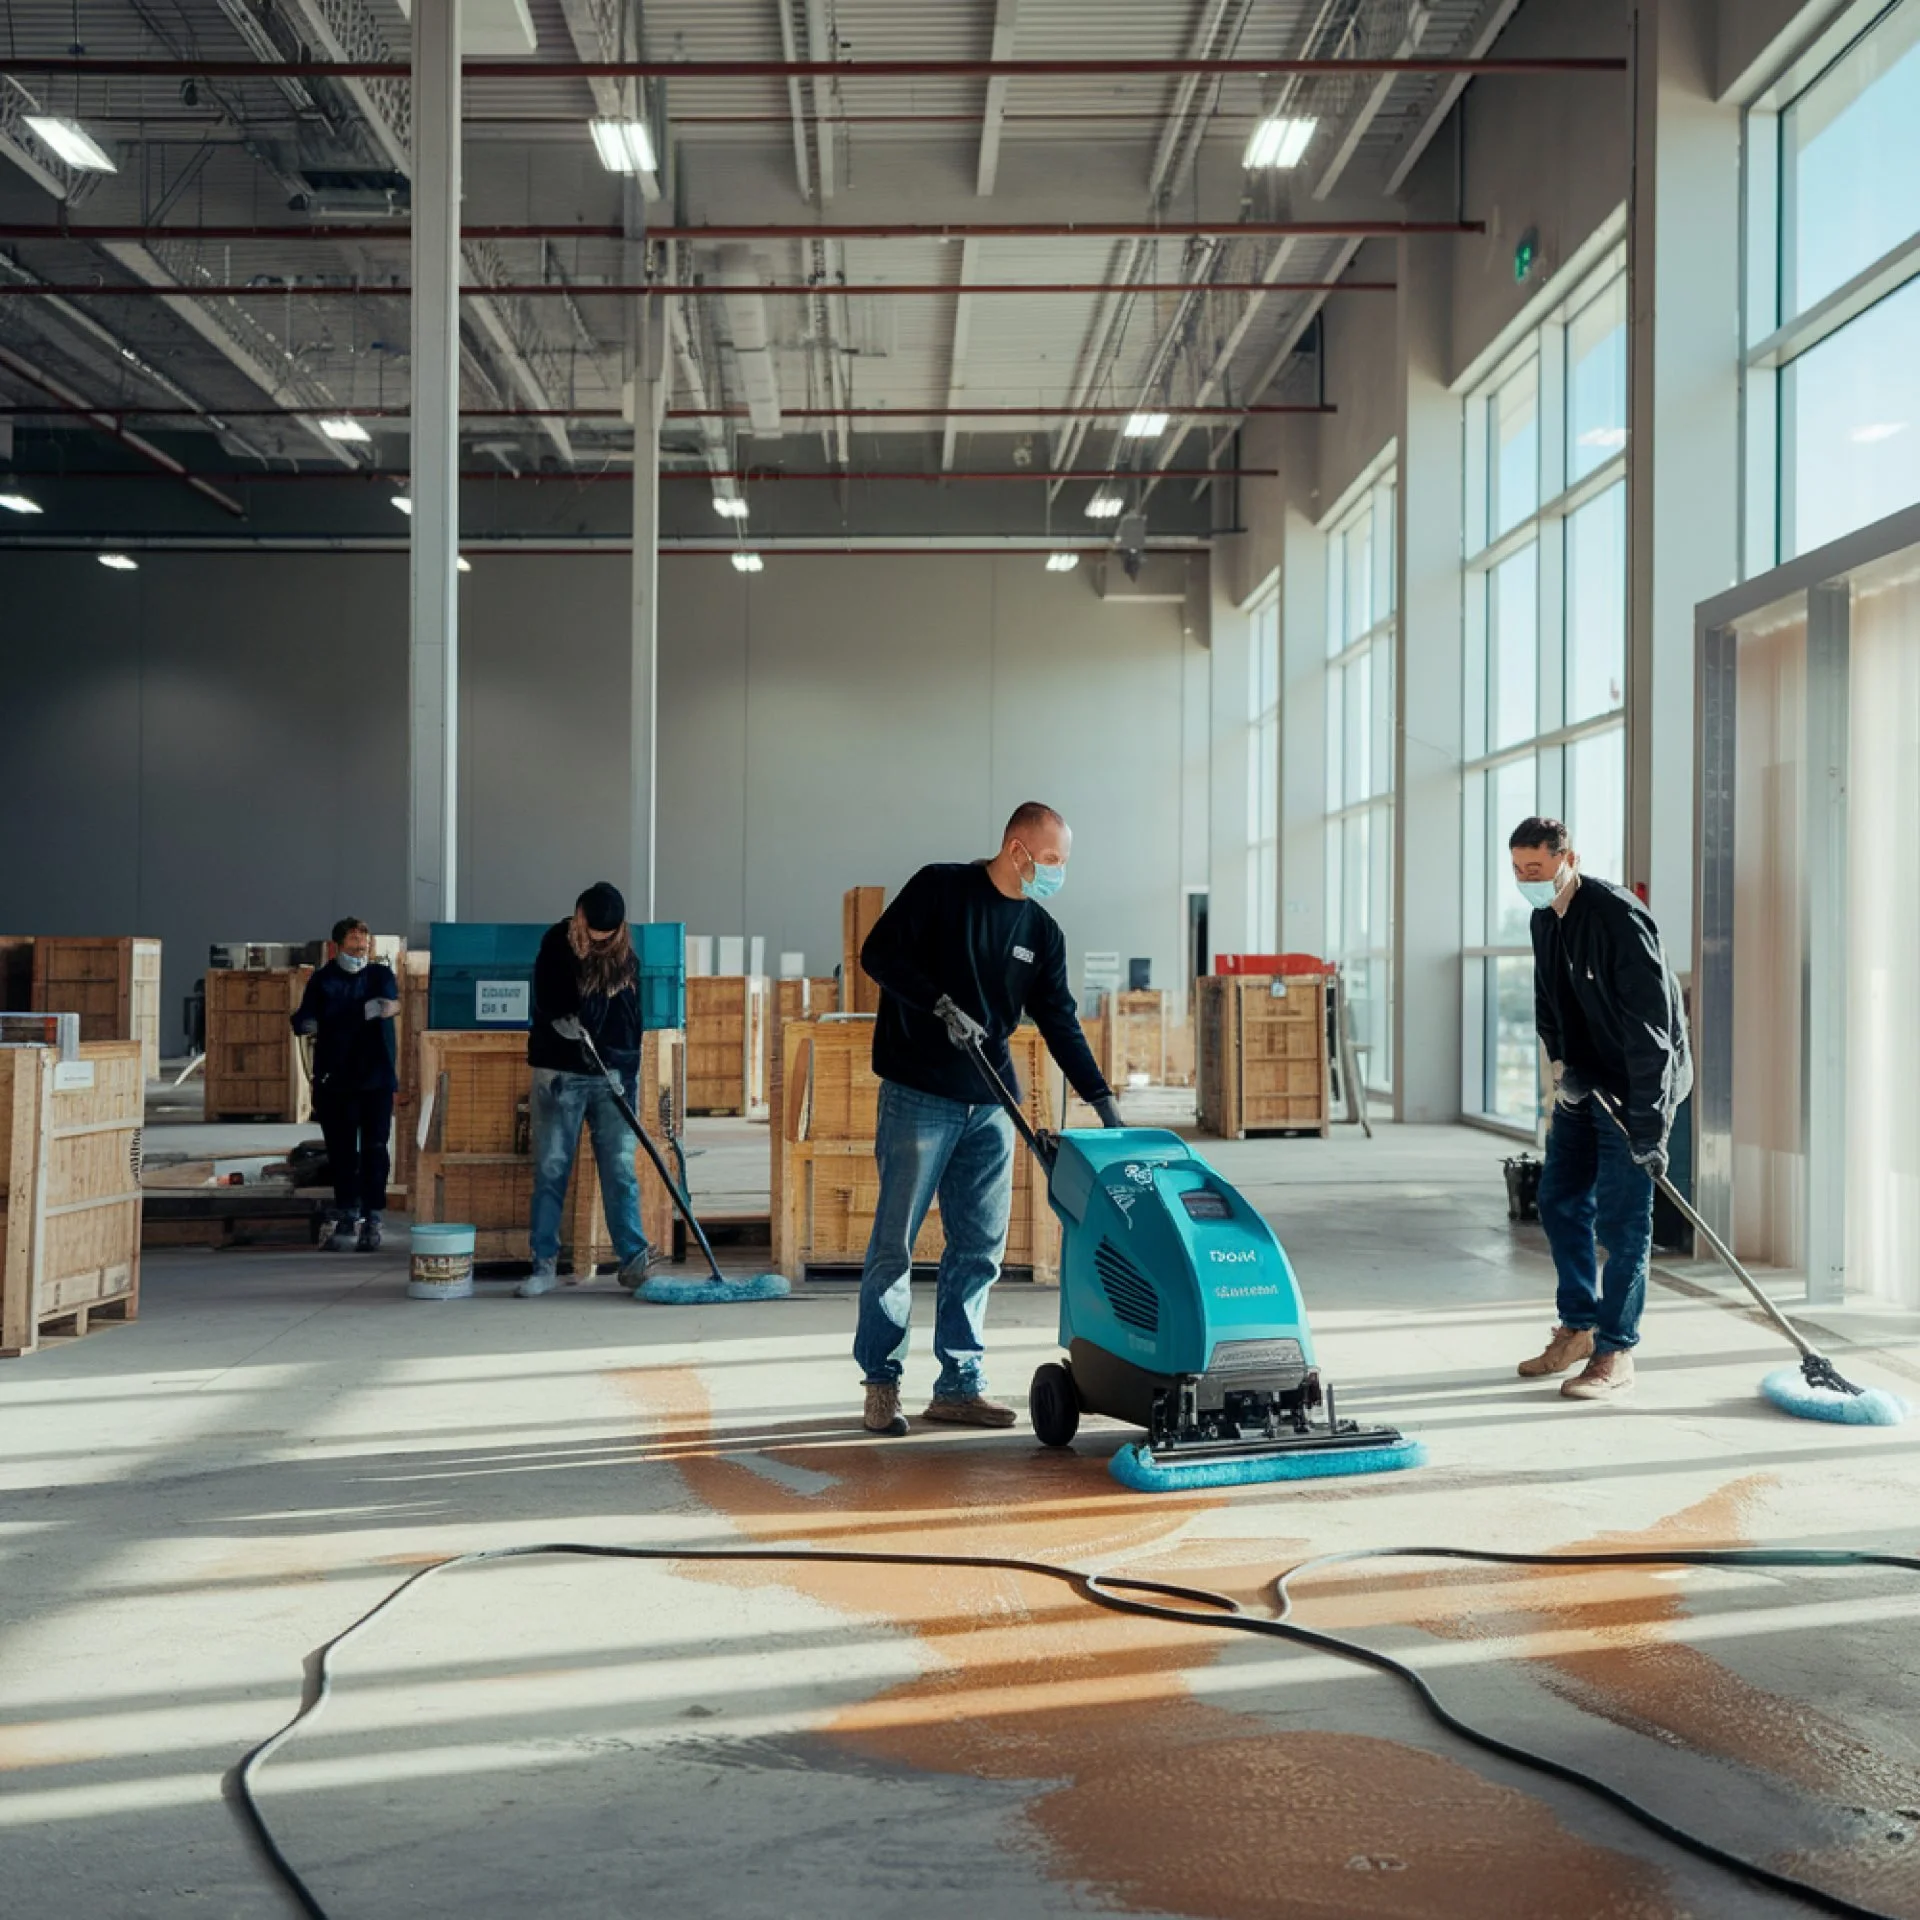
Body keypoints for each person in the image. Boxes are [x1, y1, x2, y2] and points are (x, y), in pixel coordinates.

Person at [854, 802, 1125, 1437]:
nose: (1057, 872)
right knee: (894, 1246)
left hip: (990, 1103)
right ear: (1016, 850)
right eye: (1051, 860)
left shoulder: (1042, 932)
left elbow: (1058, 1019)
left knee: (979, 1248)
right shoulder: (941, 888)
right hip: (919, 1093)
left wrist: (1102, 1098)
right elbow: (879, 955)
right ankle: (881, 1383)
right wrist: (939, 1004)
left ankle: (958, 1385)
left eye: (1063, 862)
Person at [1510, 817, 1692, 1401]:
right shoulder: (1544, 918)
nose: (1525, 880)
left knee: (1622, 1222)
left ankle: (1617, 1350)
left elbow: (1652, 1027)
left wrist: (1648, 1123)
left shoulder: (1618, 915)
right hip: (1586, 1083)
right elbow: (1548, 1000)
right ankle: (1579, 1327)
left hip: (1640, 1084)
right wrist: (1564, 1066)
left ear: (1568, 858)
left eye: (1534, 870)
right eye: (1517, 871)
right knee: (1559, 1198)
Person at [520, 881, 660, 1299]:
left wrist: (625, 1074)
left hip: (610, 1076)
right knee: (551, 1168)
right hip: (559, 1074)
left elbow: (632, 1024)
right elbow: (549, 998)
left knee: (619, 1169)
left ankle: (633, 1263)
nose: (600, 943)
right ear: (579, 917)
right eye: (594, 935)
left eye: (608, 936)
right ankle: (543, 1263)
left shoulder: (625, 959)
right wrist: (563, 1020)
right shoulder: (556, 946)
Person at [291, 919, 400, 1252]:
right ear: (337, 945)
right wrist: (305, 1023)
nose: (360, 948)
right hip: (336, 1079)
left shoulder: (380, 976)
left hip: (376, 1078)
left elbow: (393, 1003)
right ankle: (348, 1211)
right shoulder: (324, 980)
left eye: (364, 942)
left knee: (375, 1148)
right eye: (354, 942)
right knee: (341, 1151)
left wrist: (388, 1008)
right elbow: (304, 1016)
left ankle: (373, 1215)